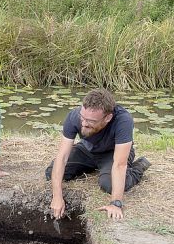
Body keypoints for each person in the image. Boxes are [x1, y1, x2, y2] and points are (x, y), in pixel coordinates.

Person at [47, 88, 151, 220]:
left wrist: (116, 203)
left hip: (113, 153)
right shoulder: (74, 116)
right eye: (83, 118)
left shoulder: (123, 120)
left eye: (91, 121)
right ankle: (95, 166)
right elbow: (61, 158)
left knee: (109, 184)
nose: (84, 123)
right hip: (88, 148)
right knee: (51, 172)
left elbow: (119, 164)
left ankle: (138, 168)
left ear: (108, 117)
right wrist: (57, 196)